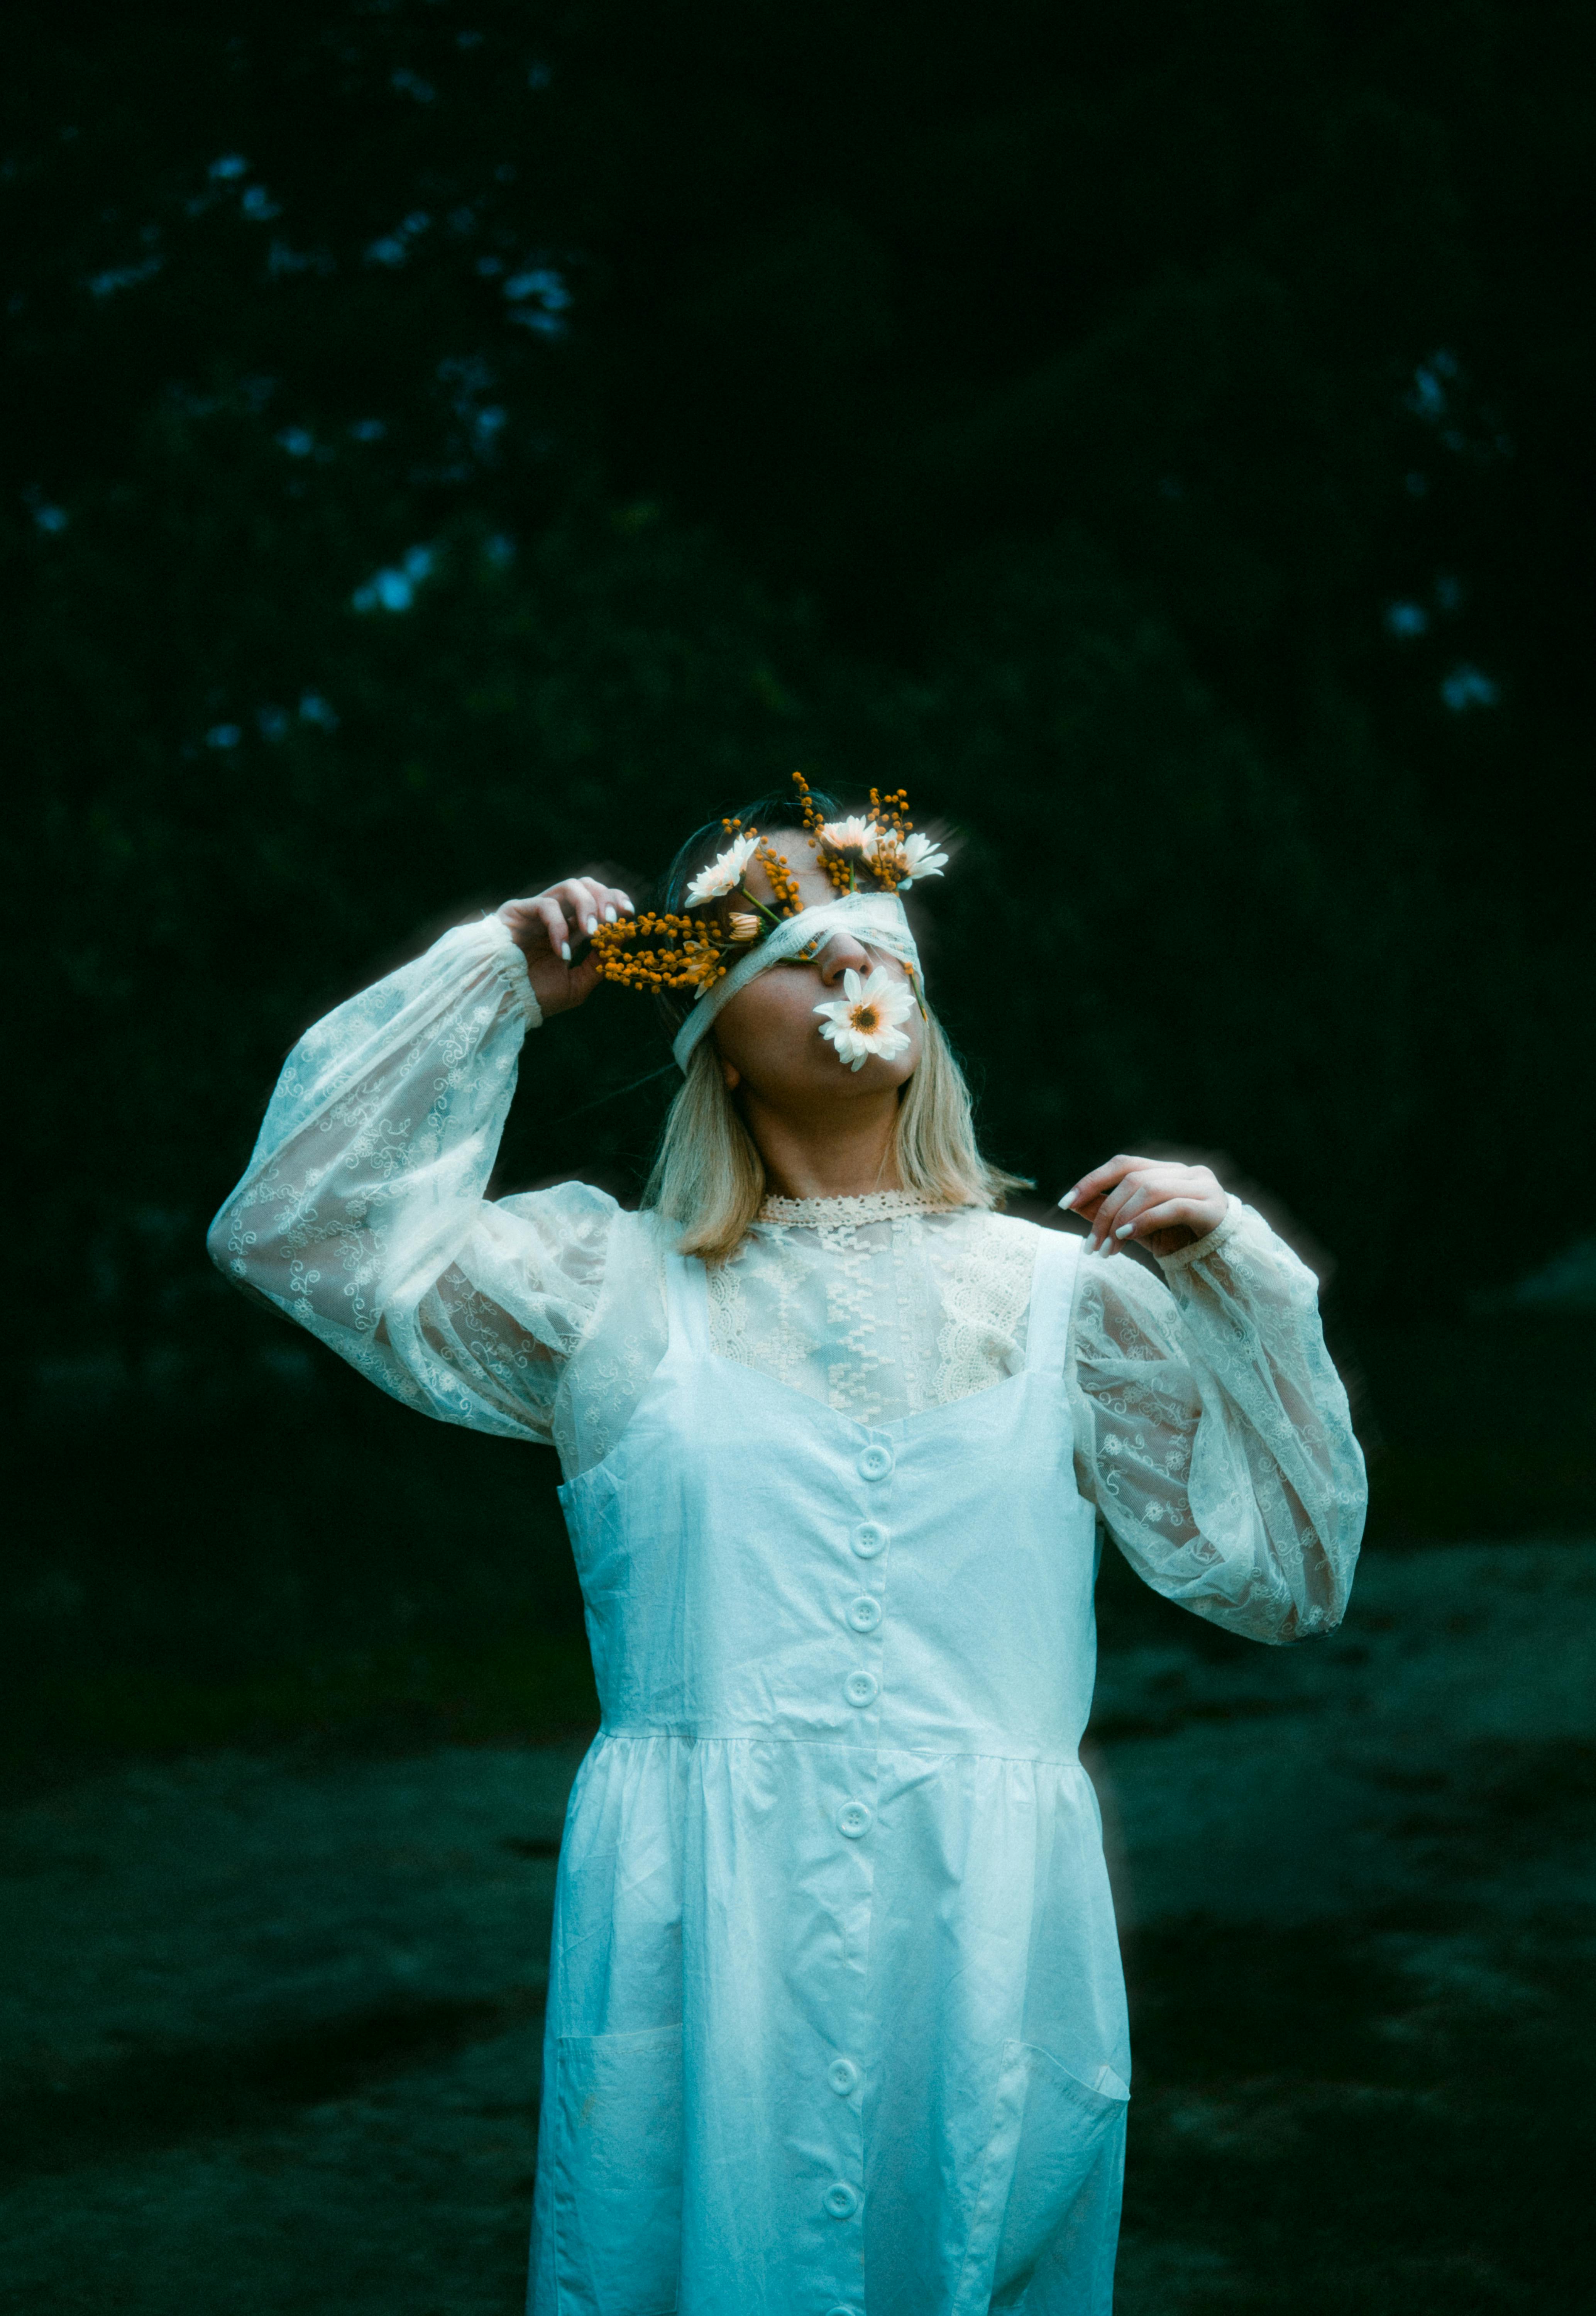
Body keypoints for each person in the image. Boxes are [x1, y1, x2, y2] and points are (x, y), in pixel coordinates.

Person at [208, 781, 1365, 2316]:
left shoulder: (1070, 1303)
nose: (839, 959)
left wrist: (1236, 1270)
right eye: (774, 931)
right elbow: (296, 1231)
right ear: (697, 1016)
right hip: (697, 1959)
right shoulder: (599, 1290)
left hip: (983, 1964)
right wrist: (494, 978)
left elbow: (1288, 1571)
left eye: (866, 924)